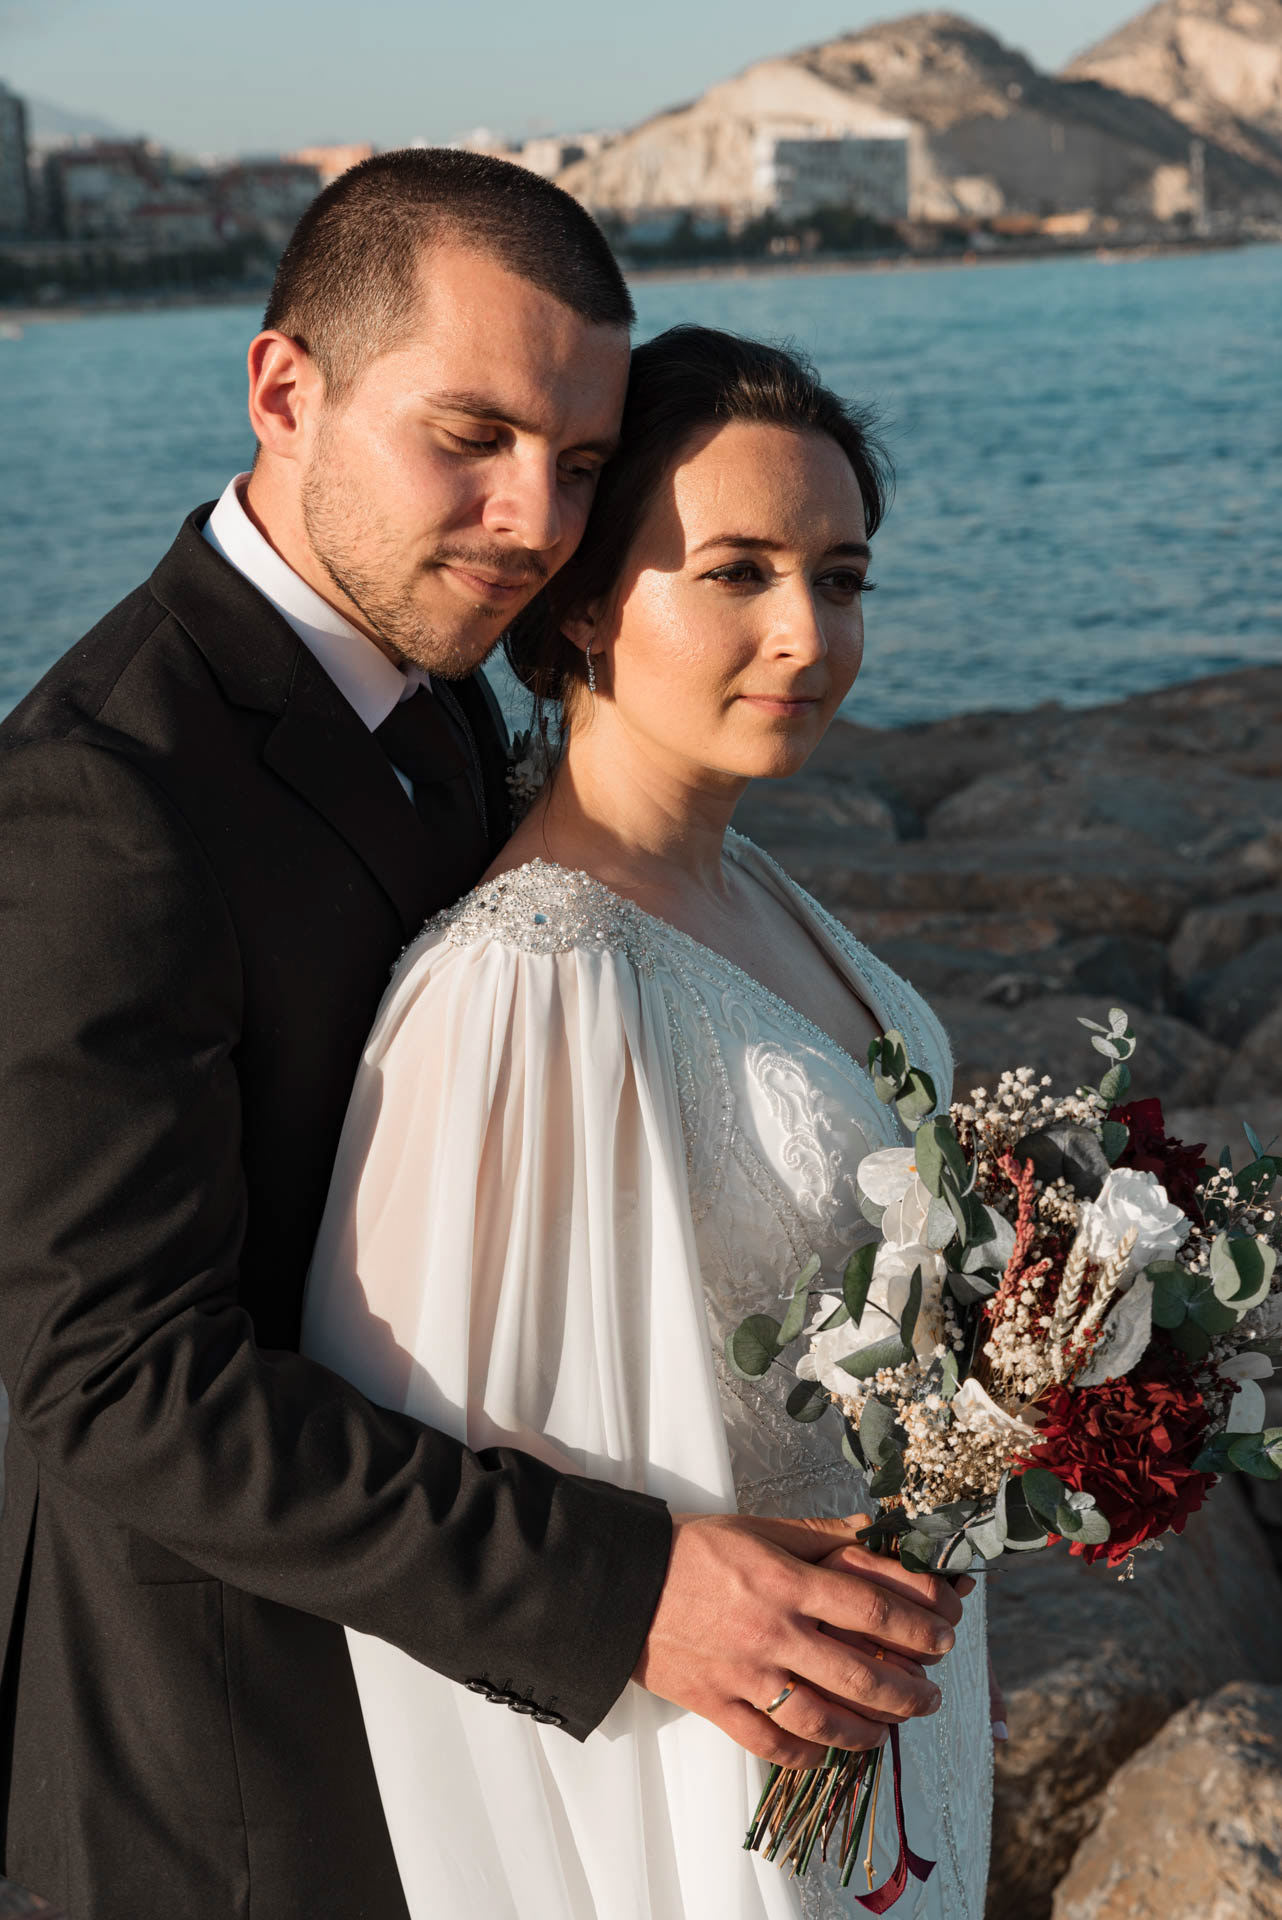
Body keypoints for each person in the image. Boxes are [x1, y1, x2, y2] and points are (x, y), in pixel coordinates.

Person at [0, 153, 963, 1919]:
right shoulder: (97, 796)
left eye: (584, 465)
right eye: (474, 436)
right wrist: (633, 1592)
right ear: (284, 389)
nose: (536, 521)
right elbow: (113, 1384)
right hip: (241, 1777)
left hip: (535, 1720)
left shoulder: (435, 693)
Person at [302, 324, 992, 1918]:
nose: (805, 632)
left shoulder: (762, 892)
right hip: (705, 1781)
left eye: (841, 575)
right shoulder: (525, 980)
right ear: (589, 603)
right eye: (736, 570)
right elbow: (455, 1469)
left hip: (887, 1716)